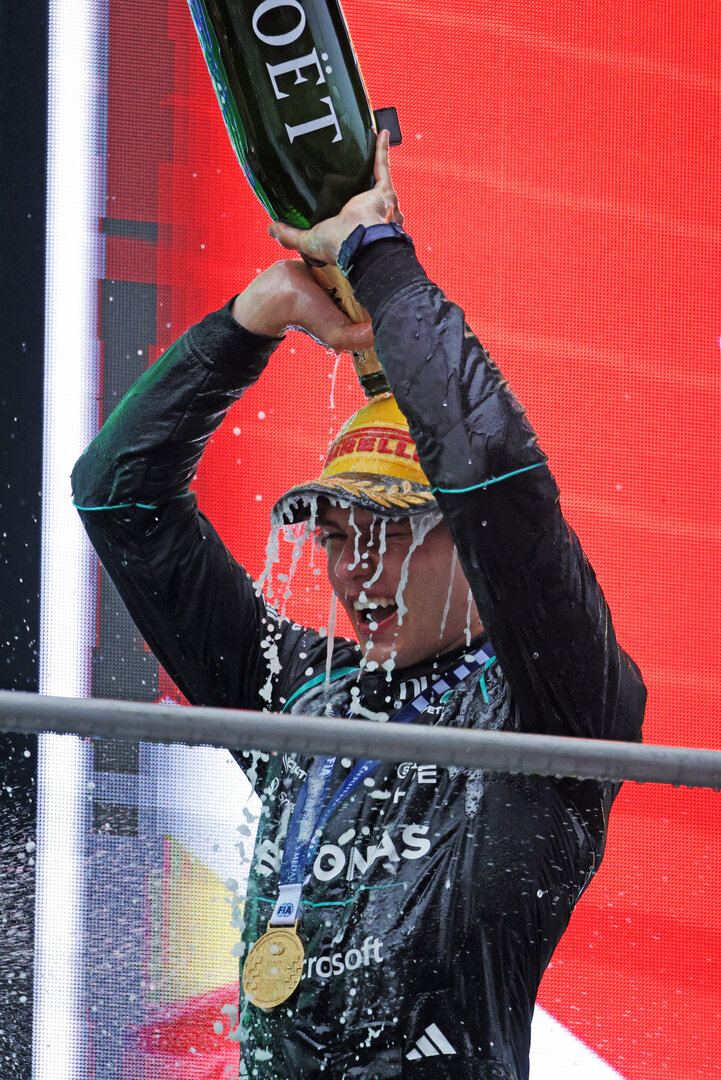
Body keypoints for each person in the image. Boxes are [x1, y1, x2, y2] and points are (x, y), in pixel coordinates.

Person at [72, 132, 646, 1079]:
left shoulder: (560, 696)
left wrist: (377, 257)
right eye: (335, 534)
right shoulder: (295, 695)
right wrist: (247, 322)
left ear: (467, 536)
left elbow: (492, 470)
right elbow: (119, 499)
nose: (353, 567)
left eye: (390, 529)